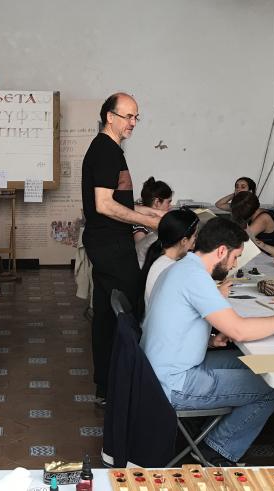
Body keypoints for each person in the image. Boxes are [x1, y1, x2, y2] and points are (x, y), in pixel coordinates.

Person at [141, 217, 274, 465]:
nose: (234, 264)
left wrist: (210, 340)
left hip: (160, 371)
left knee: (252, 363)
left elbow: (176, 324)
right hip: (175, 383)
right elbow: (240, 331)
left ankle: (210, 438)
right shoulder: (196, 278)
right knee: (271, 389)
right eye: (235, 257)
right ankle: (216, 451)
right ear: (222, 251)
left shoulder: (180, 267)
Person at [81, 92, 165, 403]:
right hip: (110, 245)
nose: (133, 122)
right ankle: (125, 383)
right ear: (110, 117)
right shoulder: (105, 150)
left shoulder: (112, 149)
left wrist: (152, 213)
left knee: (106, 314)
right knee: (127, 313)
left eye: (136, 117)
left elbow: (120, 203)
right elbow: (104, 206)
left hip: (108, 242)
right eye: (128, 116)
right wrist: (154, 224)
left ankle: (108, 385)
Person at [142, 208, 199, 307]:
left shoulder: (161, 260)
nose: (196, 240)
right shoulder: (172, 268)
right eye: (194, 236)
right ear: (184, 241)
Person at [134, 177, 173, 268]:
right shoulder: (140, 222)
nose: (170, 206)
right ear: (157, 202)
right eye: (168, 202)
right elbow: (140, 248)